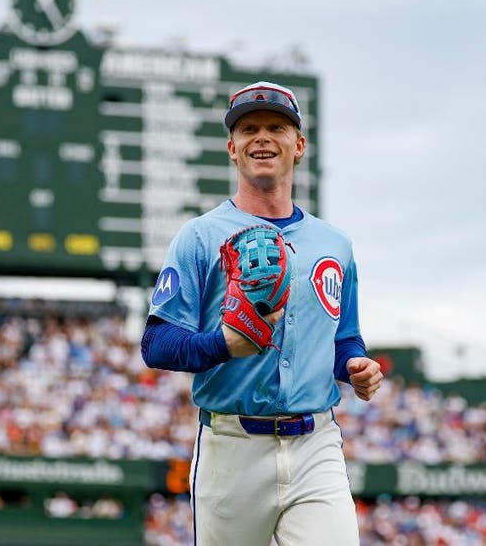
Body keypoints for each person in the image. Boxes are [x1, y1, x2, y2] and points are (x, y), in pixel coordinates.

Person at [140, 81, 383, 545]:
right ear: (232, 148)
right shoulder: (199, 236)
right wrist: (222, 345)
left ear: (299, 145)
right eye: (249, 129)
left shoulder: (334, 245)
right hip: (231, 446)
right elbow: (156, 344)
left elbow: (344, 338)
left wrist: (355, 366)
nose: (262, 137)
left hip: (315, 443)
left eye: (276, 127)